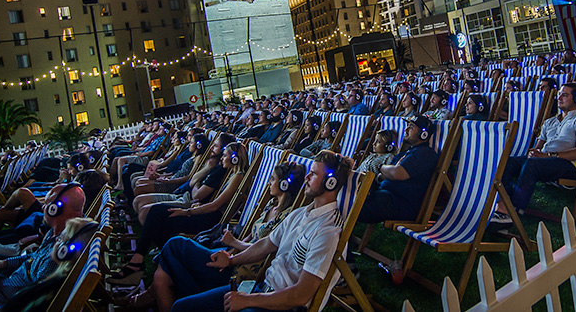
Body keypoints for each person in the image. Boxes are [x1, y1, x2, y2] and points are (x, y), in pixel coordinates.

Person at [175, 151, 353, 312]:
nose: (306, 177)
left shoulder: (328, 231)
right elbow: (266, 244)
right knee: (181, 306)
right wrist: (230, 260)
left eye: (313, 174)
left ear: (331, 182)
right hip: (261, 289)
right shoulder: (300, 214)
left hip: (278, 307)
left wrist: (249, 300)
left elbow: (301, 295)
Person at [117, 164, 306, 311]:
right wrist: (233, 246)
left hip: (241, 271)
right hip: (231, 255)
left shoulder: (287, 218)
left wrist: (234, 244)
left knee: (175, 246)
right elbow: (250, 237)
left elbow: (264, 249)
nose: (268, 183)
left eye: (272, 179)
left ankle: (146, 296)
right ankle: (151, 296)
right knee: (162, 274)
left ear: (284, 184)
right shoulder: (270, 207)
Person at [491, 83, 576, 224]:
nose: (559, 98)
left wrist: (547, 156)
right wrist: (534, 152)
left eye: (565, 95)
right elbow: (538, 147)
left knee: (532, 165)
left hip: (569, 165)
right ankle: (503, 205)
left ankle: (514, 211)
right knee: (509, 162)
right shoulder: (549, 121)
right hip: (545, 162)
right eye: (559, 94)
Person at [0, 183, 86, 309]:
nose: (43, 209)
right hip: (3, 283)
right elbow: (33, 257)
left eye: (46, 205)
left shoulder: (59, 256)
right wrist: (4, 263)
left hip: (0, 298)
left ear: (55, 209)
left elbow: (24, 304)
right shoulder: (57, 235)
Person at [358, 116, 439, 223]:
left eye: (411, 127)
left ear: (423, 134)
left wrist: (381, 167)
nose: (406, 130)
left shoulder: (425, 154)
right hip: (385, 195)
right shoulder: (405, 153)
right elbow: (383, 175)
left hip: (400, 203)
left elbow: (397, 173)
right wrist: (387, 171)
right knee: (350, 193)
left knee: (353, 204)